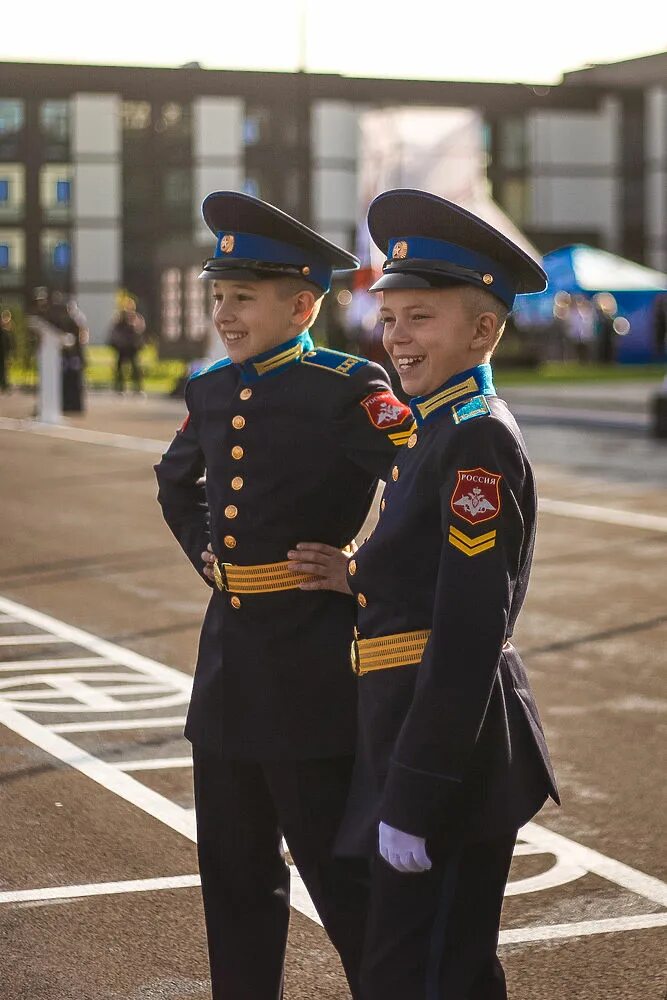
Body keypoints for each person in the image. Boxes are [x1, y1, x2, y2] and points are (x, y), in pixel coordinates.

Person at [288, 189, 560, 1000]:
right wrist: (358, 570)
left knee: (423, 971)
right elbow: (425, 567)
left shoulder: (472, 434)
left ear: (483, 329)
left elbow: (469, 627)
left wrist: (414, 793)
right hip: (411, 734)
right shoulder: (437, 424)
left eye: (421, 318)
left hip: (449, 756)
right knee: (437, 969)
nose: (395, 338)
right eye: (390, 316)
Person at [154, 191, 413, 1000]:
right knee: (232, 872)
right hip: (228, 657)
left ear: (302, 304)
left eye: (242, 298)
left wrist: (360, 566)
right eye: (218, 297)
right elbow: (174, 483)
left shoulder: (344, 385)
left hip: (311, 663)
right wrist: (203, 549)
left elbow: (419, 483)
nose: (224, 314)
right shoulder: (208, 388)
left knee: (341, 873)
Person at [108, 302, 145, 393]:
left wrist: (138, 343)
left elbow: (140, 332)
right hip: (122, 348)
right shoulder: (118, 321)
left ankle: (137, 387)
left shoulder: (136, 319)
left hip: (132, 348)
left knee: (135, 368)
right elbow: (114, 334)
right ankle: (119, 386)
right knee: (119, 368)